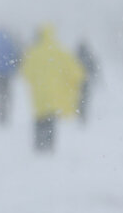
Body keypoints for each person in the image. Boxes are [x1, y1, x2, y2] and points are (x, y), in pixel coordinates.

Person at [18, 25, 84, 153]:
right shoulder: (59, 51)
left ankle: (39, 146)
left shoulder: (33, 51)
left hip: (38, 94)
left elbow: (25, 72)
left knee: (39, 119)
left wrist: (36, 81)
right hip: (54, 94)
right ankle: (49, 146)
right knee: (51, 119)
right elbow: (75, 72)